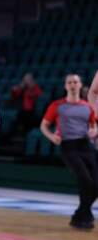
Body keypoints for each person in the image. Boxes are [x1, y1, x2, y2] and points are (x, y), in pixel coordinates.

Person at [41, 74, 97, 230]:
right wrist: (52, 136)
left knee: (96, 184)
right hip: (69, 146)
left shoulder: (87, 106)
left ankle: (80, 215)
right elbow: (44, 125)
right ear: (66, 86)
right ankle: (85, 216)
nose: (72, 84)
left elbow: (94, 126)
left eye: (75, 82)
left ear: (80, 85)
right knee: (86, 180)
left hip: (86, 145)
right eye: (70, 82)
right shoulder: (57, 105)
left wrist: (94, 131)